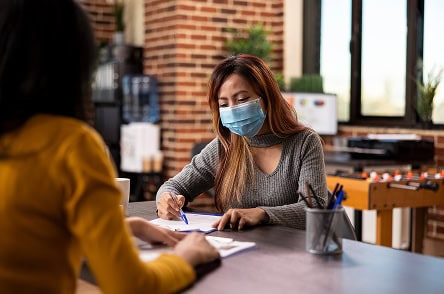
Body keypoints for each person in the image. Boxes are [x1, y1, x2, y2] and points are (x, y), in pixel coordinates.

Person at [0, 1, 219, 293]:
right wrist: (186, 257)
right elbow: (131, 286)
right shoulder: (71, 144)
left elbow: (29, 234)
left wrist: (125, 228)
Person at [156, 54, 328, 231]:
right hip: (239, 250)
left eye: (242, 99)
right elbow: (173, 186)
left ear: (267, 97)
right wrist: (167, 200)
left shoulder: (305, 143)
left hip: (293, 252)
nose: (233, 109)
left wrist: (262, 213)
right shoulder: (225, 146)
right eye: (224, 104)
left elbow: (315, 208)